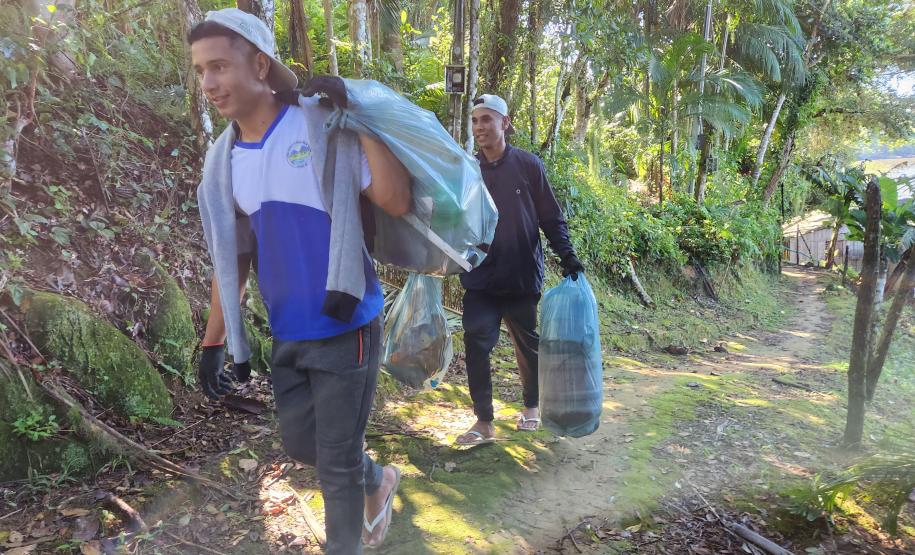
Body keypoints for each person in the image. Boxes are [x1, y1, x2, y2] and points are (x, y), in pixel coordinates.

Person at [188, 9, 409, 552]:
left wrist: (356, 117)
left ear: (259, 65)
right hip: (289, 329)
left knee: (333, 465)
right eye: (199, 71)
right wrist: (214, 339)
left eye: (219, 66)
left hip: (346, 319)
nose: (209, 83)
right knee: (304, 445)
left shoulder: (318, 125)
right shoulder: (224, 164)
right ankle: (377, 479)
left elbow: (395, 199)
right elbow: (231, 258)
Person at [455, 94, 584, 446]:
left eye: (487, 120)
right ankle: (483, 421)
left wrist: (567, 256)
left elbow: (550, 217)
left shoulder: (528, 165)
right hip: (480, 274)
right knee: (476, 341)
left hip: (521, 273)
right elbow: (455, 218)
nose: (480, 127)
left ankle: (530, 406)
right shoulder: (468, 170)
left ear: (505, 123)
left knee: (527, 344)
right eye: (475, 120)